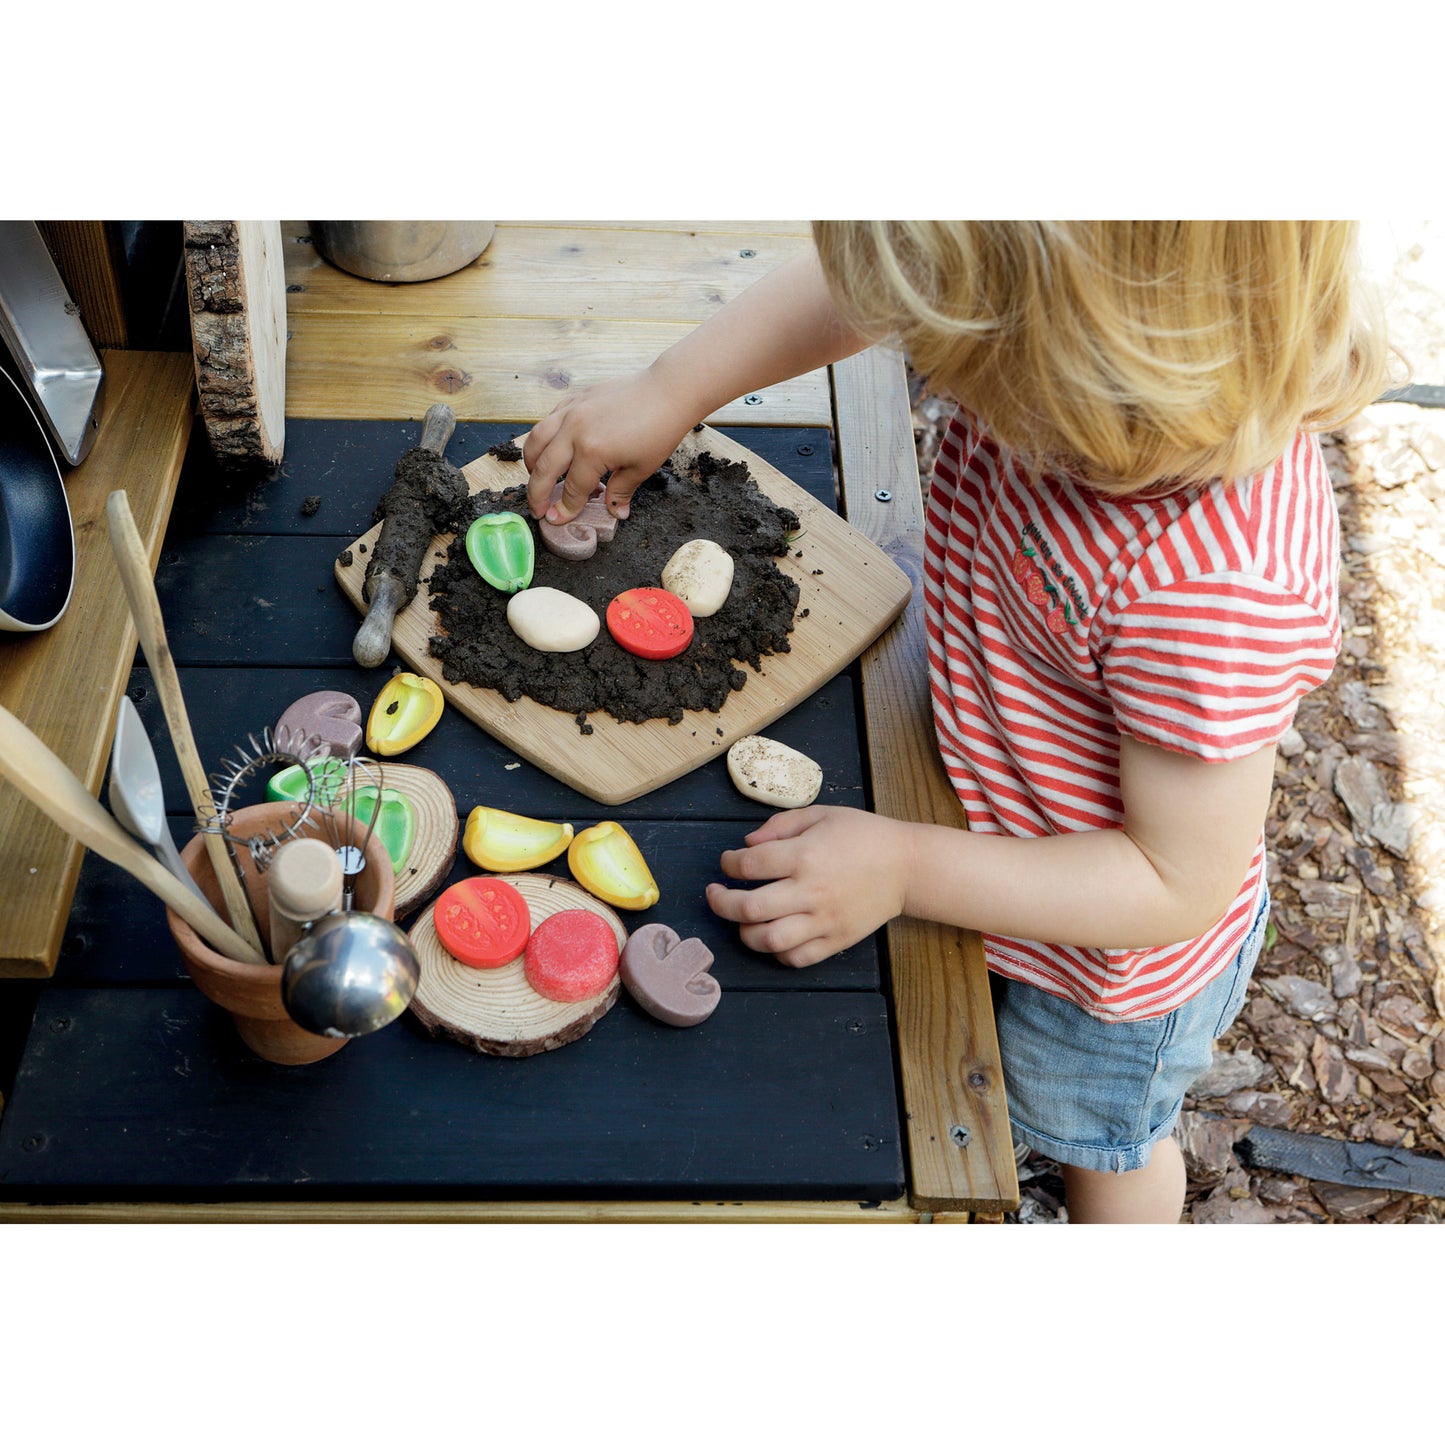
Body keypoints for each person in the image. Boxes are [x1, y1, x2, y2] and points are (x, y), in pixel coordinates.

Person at [522, 222, 1389, 1223]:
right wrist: (672, 389)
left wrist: (905, 869)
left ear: (1081, 362)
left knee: (1100, 1142)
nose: (929, 363)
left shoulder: (1212, 592)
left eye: (959, 352)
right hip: (989, 807)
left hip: (1100, 969)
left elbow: (1172, 880)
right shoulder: (1077, 361)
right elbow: (868, 282)